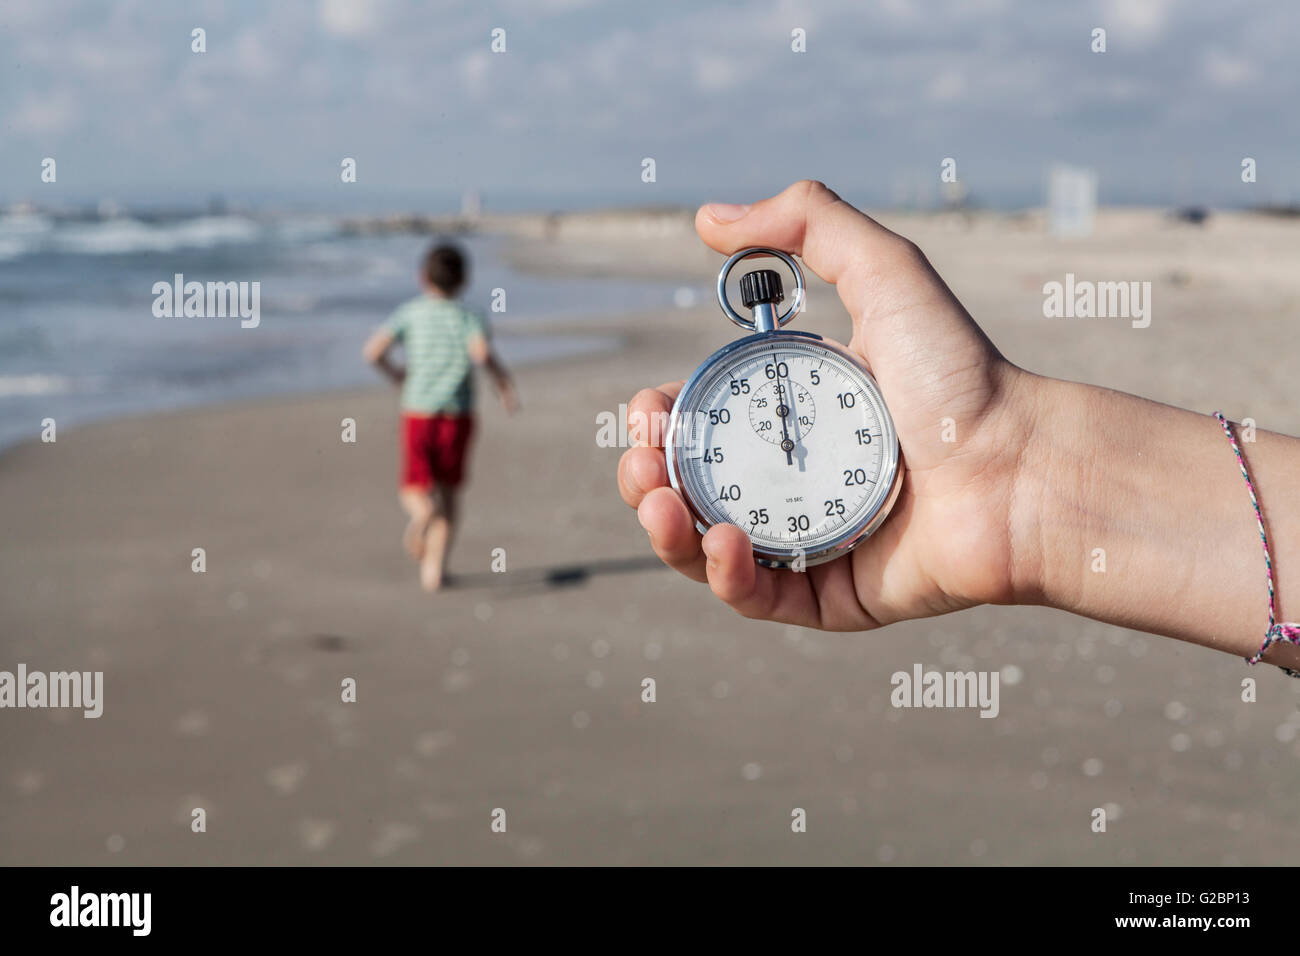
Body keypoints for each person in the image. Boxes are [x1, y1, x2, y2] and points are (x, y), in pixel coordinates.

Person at [617, 181, 1300, 676]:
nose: (792, 445)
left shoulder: (819, 378)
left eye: (796, 433)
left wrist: (1011, 466)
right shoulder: (779, 379)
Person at [364, 241, 518, 591]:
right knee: (449, 493)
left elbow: (372, 351)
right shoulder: (470, 316)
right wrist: (504, 385)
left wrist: (396, 375)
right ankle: (434, 572)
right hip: (457, 417)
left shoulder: (410, 313)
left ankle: (421, 513)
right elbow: (481, 355)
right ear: (463, 281)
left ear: (422, 278)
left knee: (414, 487)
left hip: (418, 413)